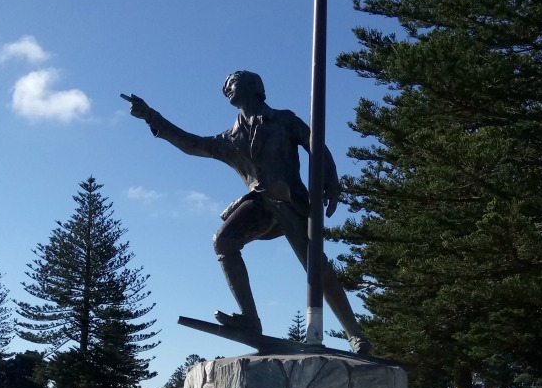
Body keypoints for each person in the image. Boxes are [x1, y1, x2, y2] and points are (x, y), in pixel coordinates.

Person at [123, 71, 371, 355]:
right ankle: (250, 319)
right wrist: (151, 116)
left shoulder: (284, 120)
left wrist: (330, 181)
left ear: (254, 86)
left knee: (316, 266)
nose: (225, 87)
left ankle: (356, 335)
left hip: (290, 199)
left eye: (232, 82)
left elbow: (315, 145)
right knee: (223, 241)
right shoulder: (231, 137)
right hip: (259, 203)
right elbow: (192, 144)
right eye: (225, 85)